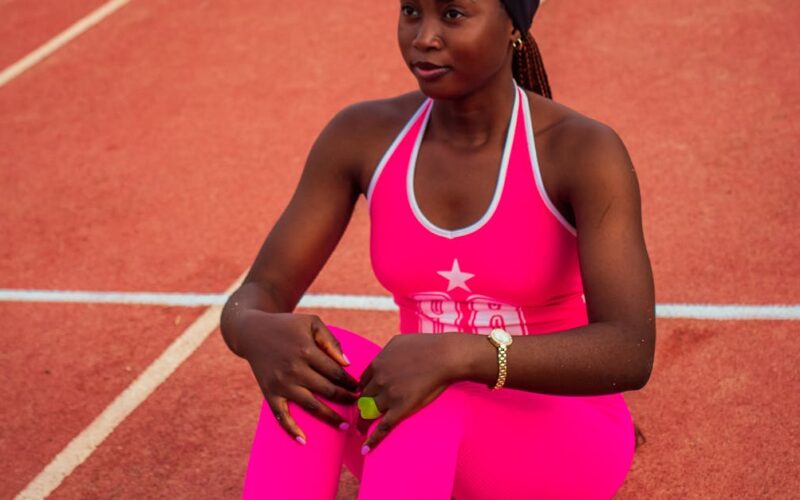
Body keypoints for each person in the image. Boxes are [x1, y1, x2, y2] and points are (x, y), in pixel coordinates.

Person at [220, 0, 655, 498]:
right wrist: (253, 329)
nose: (423, 36)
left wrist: (462, 356)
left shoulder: (580, 151)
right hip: (408, 423)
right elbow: (261, 289)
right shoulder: (362, 135)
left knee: (430, 395)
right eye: (411, 11)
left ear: (513, 24)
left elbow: (630, 349)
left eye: (452, 14)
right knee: (311, 369)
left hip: (561, 435)